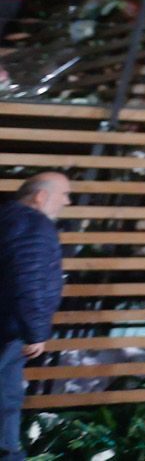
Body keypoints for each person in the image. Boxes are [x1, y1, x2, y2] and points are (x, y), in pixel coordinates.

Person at [1, 173, 69, 461]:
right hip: (8, 328)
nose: (68, 201)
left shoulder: (8, 218)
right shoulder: (33, 224)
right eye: (64, 193)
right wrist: (36, 330)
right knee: (6, 398)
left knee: (6, 397)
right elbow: (28, 278)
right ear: (40, 196)